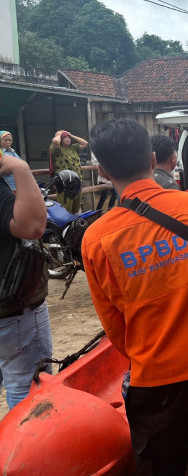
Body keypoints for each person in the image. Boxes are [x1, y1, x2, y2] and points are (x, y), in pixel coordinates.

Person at [82, 119, 188, 476]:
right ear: (153, 156)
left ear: (101, 170)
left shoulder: (97, 240)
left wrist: (153, 352)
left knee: (160, 467)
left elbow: (115, 326)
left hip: (154, 376)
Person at [0, 148, 52, 409]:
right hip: (13, 311)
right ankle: (21, 449)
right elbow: (32, 227)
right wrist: (20, 169)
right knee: (28, 391)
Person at [50, 130, 88, 213]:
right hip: (65, 184)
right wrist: (59, 134)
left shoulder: (73, 148)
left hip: (77, 183)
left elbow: (85, 143)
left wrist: (71, 135)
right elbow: (56, 141)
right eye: (65, 138)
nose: (68, 139)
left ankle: (73, 225)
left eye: (68, 138)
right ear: (61, 139)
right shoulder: (57, 150)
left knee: (75, 209)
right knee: (65, 209)